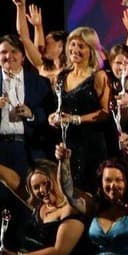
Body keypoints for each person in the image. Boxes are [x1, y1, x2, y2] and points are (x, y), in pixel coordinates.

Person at [0, 35, 53, 255]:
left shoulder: (39, 83)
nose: (9, 56)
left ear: (23, 56)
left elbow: (48, 115)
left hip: (25, 152)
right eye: (3, 52)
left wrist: (32, 114)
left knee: (26, 209)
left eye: (14, 51)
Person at [48, 26, 112, 191]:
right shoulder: (61, 76)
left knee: (91, 191)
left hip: (91, 144)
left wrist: (76, 119)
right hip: (67, 144)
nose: (75, 50)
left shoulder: (98, 76)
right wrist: (53, 117)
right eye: (73, 44)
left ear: (91, 50)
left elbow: (105, 113)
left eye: (81, 46)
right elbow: (58, 107)